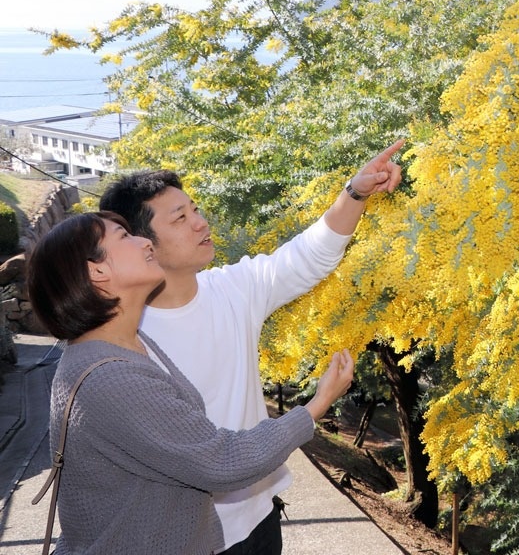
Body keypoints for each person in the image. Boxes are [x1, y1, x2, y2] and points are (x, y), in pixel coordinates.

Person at [97, 140, 405, 555]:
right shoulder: (121, 341)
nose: (200, 223)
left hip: (260, 519)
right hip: (186, 538)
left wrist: (355, 192)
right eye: (181, 218)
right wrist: (317, 404)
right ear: (143, 243)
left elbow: (309, 254)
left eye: (196, 209)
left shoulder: (231, 288)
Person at [27, 211, 356, 554]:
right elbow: (224, 461)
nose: (144, 242)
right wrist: (318, 403)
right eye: (124, 237)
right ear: (98, 271)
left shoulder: (127, 344)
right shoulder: (111, 377)